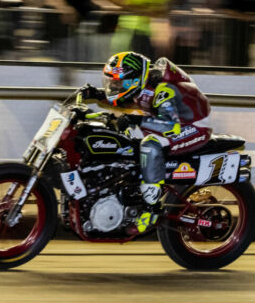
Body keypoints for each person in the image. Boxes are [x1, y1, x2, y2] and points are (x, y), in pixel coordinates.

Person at [80, 52, 212, 234]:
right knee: (126, 142)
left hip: (192, 128)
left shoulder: (163, 91)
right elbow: (128, 99)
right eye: (111, 82)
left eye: (118, 82)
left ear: (134, 80)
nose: (114, 86)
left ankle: (152, 210)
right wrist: (97, 95)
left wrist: (136, 121)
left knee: (149, 145)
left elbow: (171, 127)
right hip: (175, 123)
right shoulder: (145, 85)